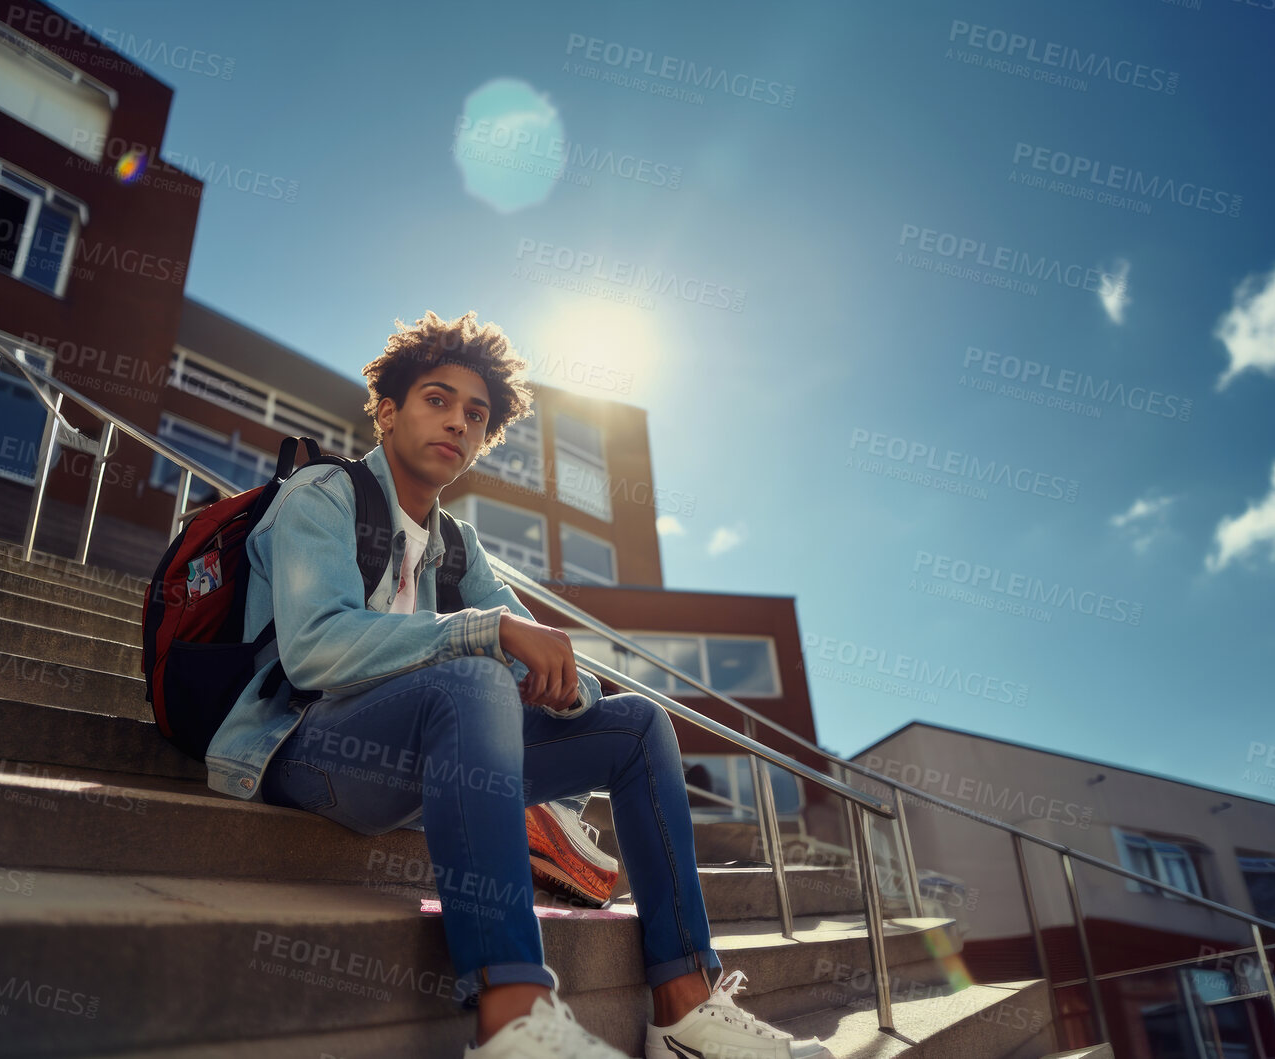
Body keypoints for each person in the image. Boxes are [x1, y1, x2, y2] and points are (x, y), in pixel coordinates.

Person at [206, 311, 829, 1059]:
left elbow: (551, 656)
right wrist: (487, 633)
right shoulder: (323, 495)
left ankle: (684, 1009)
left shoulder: (457, 547)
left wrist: (565, 690)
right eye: (437, 399)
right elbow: (313, 649)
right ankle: (512, 1021)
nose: (457, 423)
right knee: (470, 676)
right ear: (387, 410)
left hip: (429, 754)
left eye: (475, 414)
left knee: (635, 723)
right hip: (305, 746)